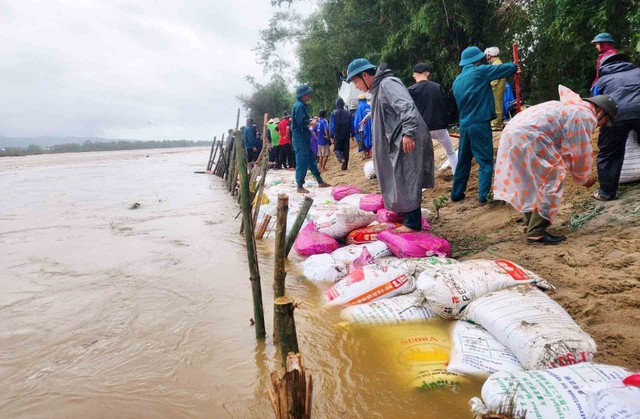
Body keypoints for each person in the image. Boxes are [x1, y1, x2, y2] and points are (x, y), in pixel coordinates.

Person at [493, 85, 617, 245]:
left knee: (528, 182)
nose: (600, 126)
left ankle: (531, 224)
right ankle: (536, 233)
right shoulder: (585, 116)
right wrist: (584, 178)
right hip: (530, 137)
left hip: (512, 133)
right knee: (552, 182)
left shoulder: (571, 108)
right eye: (604, 122)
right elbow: (579, 152)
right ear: (601, 112)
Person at [346, 58, 434, 231]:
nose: (356, 86)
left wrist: (408, 132)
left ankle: (413, 222)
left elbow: (405, 105)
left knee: (407, 176)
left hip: (407, 138)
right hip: (398, 139)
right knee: (399, 176)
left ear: (365, 75)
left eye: (356, 81)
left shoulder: (388, 84)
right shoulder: (379, 89)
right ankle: (406, 215)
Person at [451, 46, 518, 205]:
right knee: (485, 161)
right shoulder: (479, 72)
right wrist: (514, 66)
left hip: (465, 124)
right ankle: (484, 196)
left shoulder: (457, 81)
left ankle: (456, 193)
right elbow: (503, 69)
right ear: (477, 60)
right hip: (479, 123)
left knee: (463, 160)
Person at [593, 53, 640, 201]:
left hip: (615, 115)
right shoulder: (638, 72)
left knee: (609, 153)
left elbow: (596, 102)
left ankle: (607, 193)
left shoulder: (601, 81)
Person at [408, 62, 458, 174]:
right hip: (439, 126)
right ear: (428, 73)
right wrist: (446, 121)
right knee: (450, 152)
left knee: (418, 157)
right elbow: (446, 106)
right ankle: (457, 177)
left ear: (414, 75)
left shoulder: (410, 90)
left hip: (421, 129)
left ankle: (421, 185)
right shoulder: (437, 87)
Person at [291, 84, 330, 193]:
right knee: (302, 161)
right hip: (300, 138)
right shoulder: (299, 106)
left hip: (304, 137)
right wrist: (310, 122)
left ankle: (320, 181)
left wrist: (310, 122)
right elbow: (301, 123)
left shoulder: (301, 105)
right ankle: (299, 186)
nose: (310, 95)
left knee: (311, 159)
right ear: (303, 95)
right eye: (308, 94)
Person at [484, 47, 507, 131]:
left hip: (495, 89)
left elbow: (494, 80)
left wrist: (488, 86)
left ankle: (496, 124)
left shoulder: (496, 65)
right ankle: (496, 123)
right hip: (497, 89)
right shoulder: (497, 63)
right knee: (497, 104)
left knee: (496, 105)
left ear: (489, 55)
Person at [330, 97, 351, 170]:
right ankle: (345, 167)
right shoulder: (348, 113)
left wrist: (331, 135)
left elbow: (332, 125)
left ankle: (341, 158)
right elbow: (351, 124)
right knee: (346, 150)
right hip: (346, 133)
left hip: (337, 133)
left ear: (336, 104)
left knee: (336, 149)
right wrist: (353, 134)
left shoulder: (333, 113)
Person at [354, 93, 372, 159]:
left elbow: (358, 118)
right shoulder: (369, 106)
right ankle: (370, 153)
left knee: (362, 140)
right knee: (370, 139)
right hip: (370, 126)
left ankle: (365, 154)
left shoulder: (359, 107)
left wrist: (356, 127)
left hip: (362, 127)